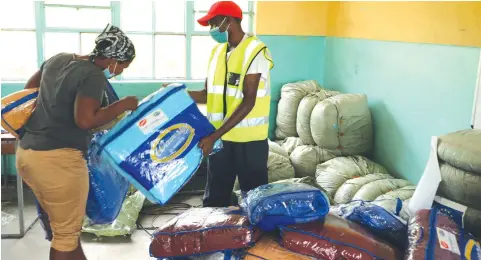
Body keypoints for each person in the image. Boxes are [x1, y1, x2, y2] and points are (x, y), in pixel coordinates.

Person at [16, 24, 138, 260]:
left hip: (28, 154)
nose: (121, 71)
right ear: (113, 58)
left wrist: (53, 110)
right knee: (65, 236)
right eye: (123, 65)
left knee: (66, 230)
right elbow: (84, 120)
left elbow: (30, 89)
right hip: (58, 161)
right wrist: (121, 106)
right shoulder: (93, 75)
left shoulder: (59, 59)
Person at [190, 1, 274, 207]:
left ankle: (256, 239)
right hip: (221, 142)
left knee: (255, 203)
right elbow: (206, 94)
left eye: (213, 23)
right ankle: (212, 237)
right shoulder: (217, 53)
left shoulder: (255, 51)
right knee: (214, 200)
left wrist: (213, 137)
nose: (211, 30)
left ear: (228, 21)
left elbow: (249, 101)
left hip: (249, 142)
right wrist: (176, 93)